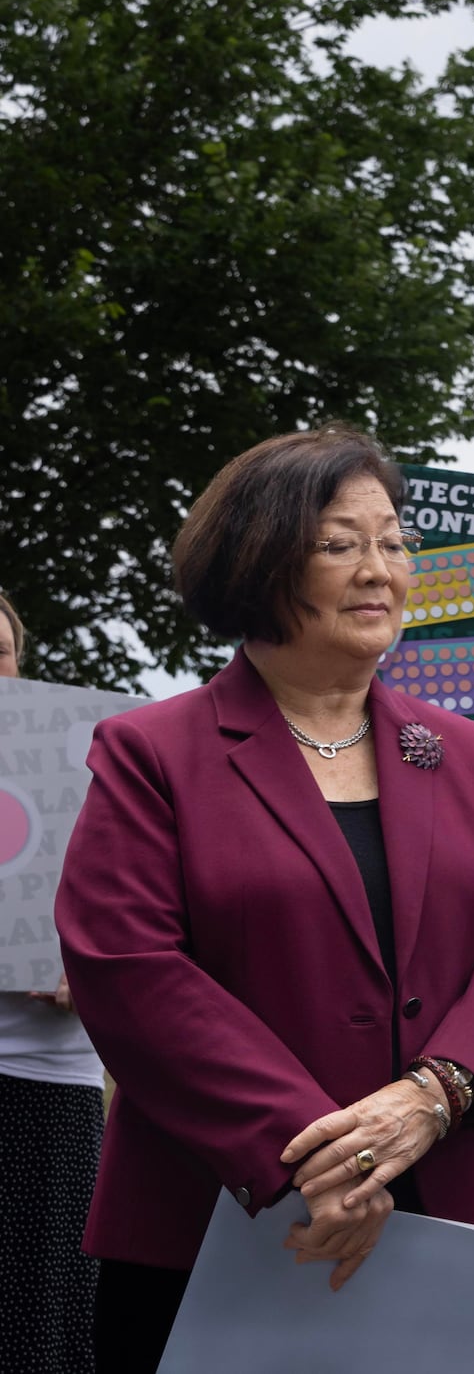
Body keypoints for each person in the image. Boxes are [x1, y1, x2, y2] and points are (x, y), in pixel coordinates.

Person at [54, 428, 474, 1374]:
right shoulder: (150, 752)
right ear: (259, 556)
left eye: (395, 541)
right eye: (340, 544)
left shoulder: (465, 753)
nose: (381, 570)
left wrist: (433, 1098)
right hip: (215, 1223)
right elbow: (129, 971)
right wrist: (321, 1155)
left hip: (443, 1212)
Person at [0, 588, 109, 1374]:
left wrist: (90, 968)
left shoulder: (87, 766)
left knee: (32, 1325)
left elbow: (142, 922)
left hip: (43, 1084)